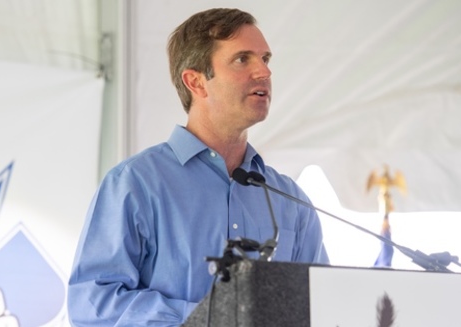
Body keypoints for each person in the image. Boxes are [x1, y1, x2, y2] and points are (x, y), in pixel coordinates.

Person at [67, 8, 329, 326]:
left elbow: (321, 308)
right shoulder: (134, 185)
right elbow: (93, 306)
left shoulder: (290, 200)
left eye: (266, 59)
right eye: (243, 59)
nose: (264, 72)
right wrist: (207, 319)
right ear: (196, 82)